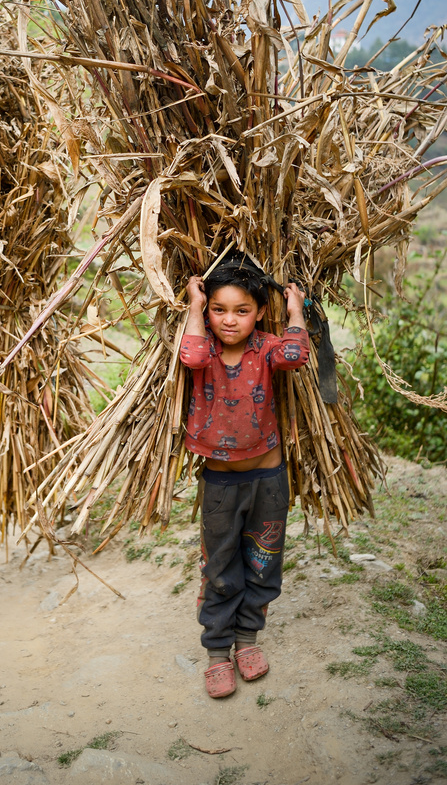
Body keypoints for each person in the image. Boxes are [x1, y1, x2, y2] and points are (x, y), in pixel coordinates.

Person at [179, 258, 309, 698]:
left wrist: (294, 311)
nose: (229, 320)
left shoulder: (267, 347)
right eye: (219, 309)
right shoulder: (205, 349)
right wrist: (195, 307)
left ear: (258, 312)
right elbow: (190, 354)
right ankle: (217, 654)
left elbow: (297, 355)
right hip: (220, 484)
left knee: (263, 559)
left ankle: (247, 642)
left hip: (267, 478)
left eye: (242, 310)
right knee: (219, 566)